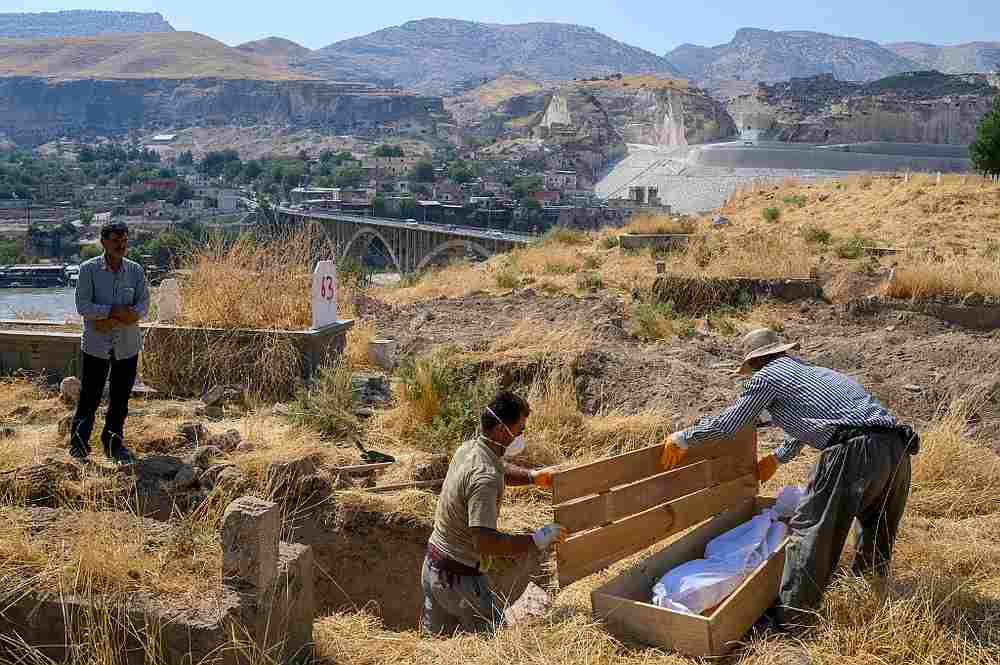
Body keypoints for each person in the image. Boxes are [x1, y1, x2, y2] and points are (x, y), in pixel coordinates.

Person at [659, 328, 918, 628]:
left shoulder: (767, 378)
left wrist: (685, 438)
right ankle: (866, 603)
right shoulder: (814, 373)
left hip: (855, 450)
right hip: (898, 447)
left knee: (812, 529)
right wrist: (777, 458)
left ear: (756, 362)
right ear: (781, 351)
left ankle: (792, 619)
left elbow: (730, 424)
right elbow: (814, 423)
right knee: (877, 528)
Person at [421, 390, 565, 636]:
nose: (520, 437)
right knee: (491, 641)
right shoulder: (484, 479)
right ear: (501, 430)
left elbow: (498, 467)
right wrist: (537, 540)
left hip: (433, 568)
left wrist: (532, 477)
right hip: (461, 580)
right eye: (519, 431)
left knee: (438, 642)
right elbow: (485, 542)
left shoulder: (469, 449)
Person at [69, 221, 149, 464]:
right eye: (115, 241)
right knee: (89, 397)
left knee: (120, 397)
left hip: (127, 344)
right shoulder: (88, 269)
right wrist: (113, 311)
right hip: (97, 345)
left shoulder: (135, 270)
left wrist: (113, 317)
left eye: (124, 241)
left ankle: (114, 444)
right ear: (103, 242)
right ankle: (79, 446)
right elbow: (83, 306)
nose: (121, 245)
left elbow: (143, 304)